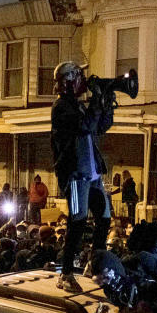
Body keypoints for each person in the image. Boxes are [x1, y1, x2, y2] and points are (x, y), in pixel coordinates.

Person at [50, 60, 114, 293]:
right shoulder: (61, 108)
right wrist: (96, 100)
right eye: (79, 77)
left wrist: (107, 103)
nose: (83, 81)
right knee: (77, 223)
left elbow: (99, 126)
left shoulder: (75, 105)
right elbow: (85, 126)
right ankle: (65, 274)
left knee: (104, 218)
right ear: (68, 81)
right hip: (76, 175)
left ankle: (93, 264)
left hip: (92, 174)